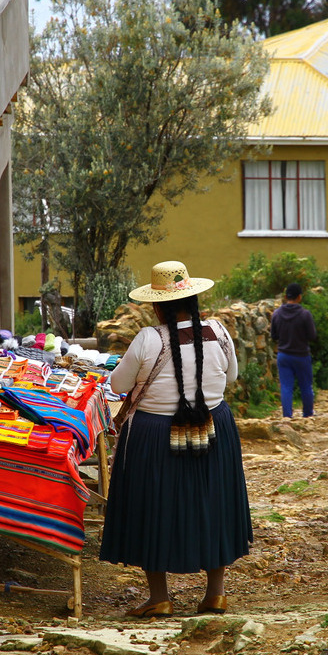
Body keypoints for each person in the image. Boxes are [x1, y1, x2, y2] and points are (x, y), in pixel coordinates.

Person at [100, 260, 252, 618]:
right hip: (214, 427)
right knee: (214, 504)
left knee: (152, 507)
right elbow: (230, 378)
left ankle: (160, 597)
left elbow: (117, 386)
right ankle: (215, 594)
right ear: (193, 299)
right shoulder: (218, 332)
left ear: (156, 305)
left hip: (154, 435)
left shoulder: (148, 339)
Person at [270, 282, 317, 418]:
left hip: (284, 355)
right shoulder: (305, 314)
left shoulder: (277, 314)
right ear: (299, 297)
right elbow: (312, 336)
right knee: (306, 386)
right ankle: (307, 415)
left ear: (285, 296)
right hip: (302, 355)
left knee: (286, 387)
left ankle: (287, 416)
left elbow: (274, 336)